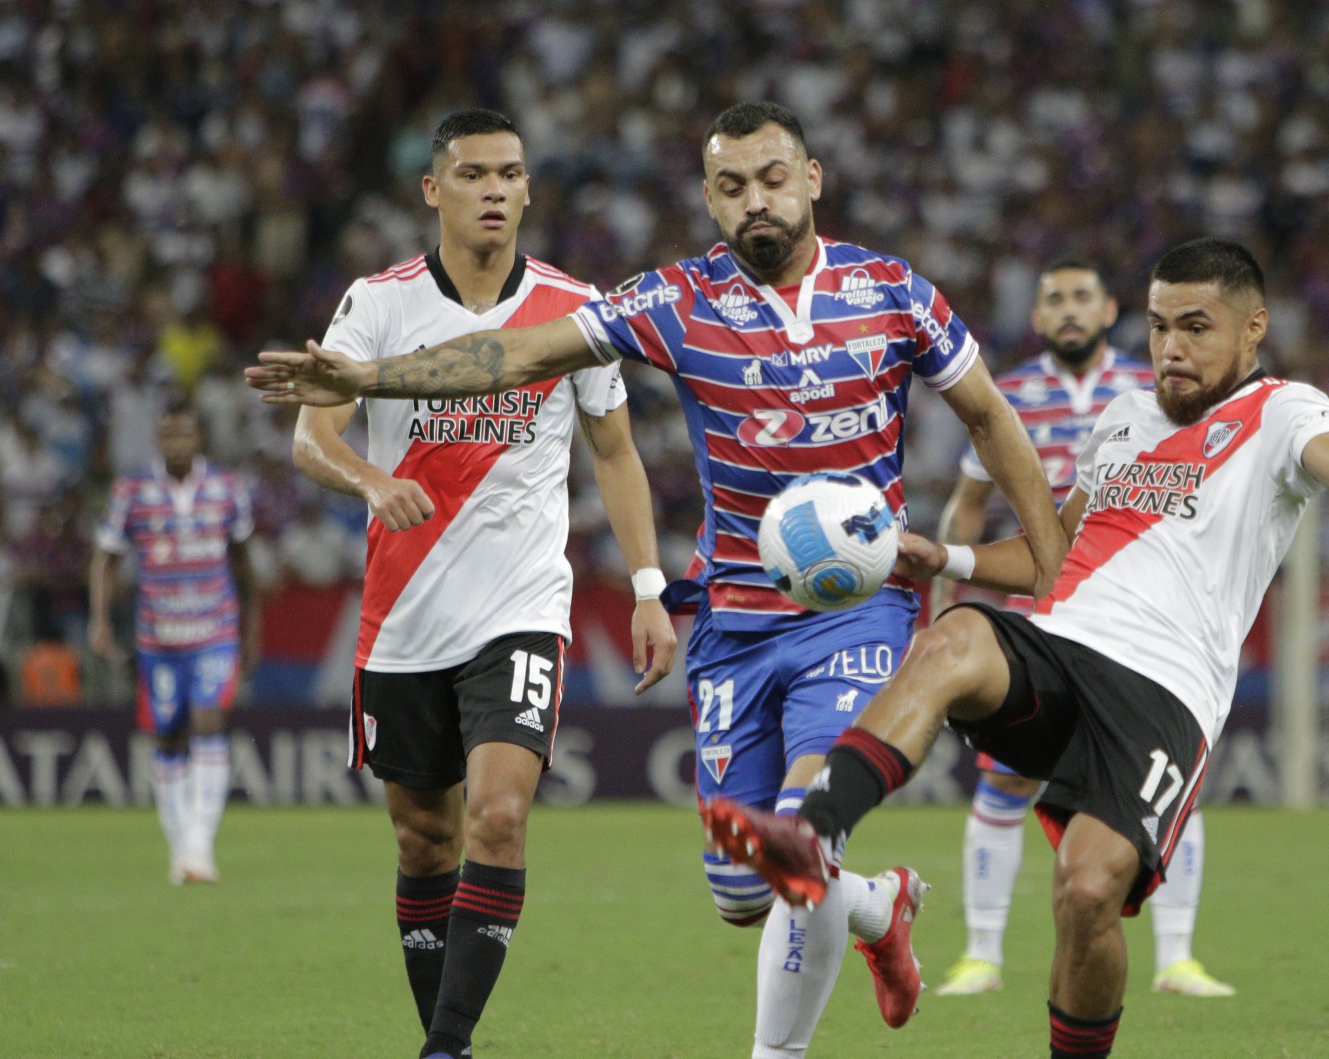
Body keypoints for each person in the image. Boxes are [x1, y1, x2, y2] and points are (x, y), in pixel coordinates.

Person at [249, 100, 1066, 1058]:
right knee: (740, 893)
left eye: (771, 178)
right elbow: (518, 351)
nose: (754, 200)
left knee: (805, 831)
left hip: (858, 612)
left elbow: (989, 417)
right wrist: (367, 381)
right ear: (709, 201)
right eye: (730, 186)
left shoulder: (893, 292)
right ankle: (879, 911)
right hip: (732, 623)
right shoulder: (674, 300)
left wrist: (1052, 565)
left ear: (812, 180)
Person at [701, 238, 1329, 1059]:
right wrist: (945, 557)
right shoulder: (1124, 417)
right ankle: (818, 835)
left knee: (1087, 892)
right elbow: (1052, 554)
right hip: (1062, 643)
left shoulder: (1282, 412)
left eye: (1197, 327)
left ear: (1252, 328)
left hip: (1165, 691)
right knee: (954, 638)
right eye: (1160, 326)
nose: (1172, 348)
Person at [279, 109, 679, 1059]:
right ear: (434, 190)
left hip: (522, 608)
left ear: (530, 188)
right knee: (426, 843)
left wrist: (649, 585)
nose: (495, 190)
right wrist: (374, 481)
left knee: (499, 817)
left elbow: (615, 452)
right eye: (473, 174)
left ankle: (445, 1049)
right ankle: (443, 1038)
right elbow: (310, 436)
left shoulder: (575, 308)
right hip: (404, 616)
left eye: (511, 174)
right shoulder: (377, 304)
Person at [930, 259, 1232, 999]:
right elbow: (969, 507)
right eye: (1054, 299)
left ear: (1109, 312)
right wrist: (945, 596)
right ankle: (981, 954)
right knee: (1005, 781)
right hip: (1040, 615)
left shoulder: (1157, 390)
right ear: (1036, 318)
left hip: (1144, 625)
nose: (1068, 310)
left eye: (1082, 298)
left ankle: (1178, 958)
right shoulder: (1012, 395)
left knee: (1156, 789)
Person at [89, 402, 260, 884]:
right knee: (167, 734)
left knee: (208, 720)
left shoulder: (228, 489)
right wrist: (100, 620)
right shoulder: (133, 492)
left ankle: (200, 845)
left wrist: (253, 630)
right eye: (168, 436)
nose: (177, 444)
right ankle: (181, 844)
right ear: (157, 441)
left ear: (199, 438)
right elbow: (105, 558)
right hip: (159, 637)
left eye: (185, 435)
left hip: (214, 629)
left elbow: (245, 562)